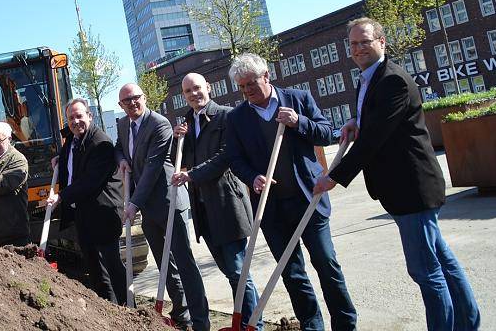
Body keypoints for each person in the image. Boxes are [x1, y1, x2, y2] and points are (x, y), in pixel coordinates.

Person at [315, 17, 480, 331]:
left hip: (412, 188)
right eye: (353, 44)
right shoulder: (369, 78)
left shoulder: (392, 80)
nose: (359, 48)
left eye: (365, 42)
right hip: (402, 187)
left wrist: (333, 177)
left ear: (382, 42)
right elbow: (377, 120)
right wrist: (355, 121)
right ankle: (468, 323)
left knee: (425, 271)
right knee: (441, 260)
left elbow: (374, 139)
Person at [225, 53, 356, 331]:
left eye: (251, 83)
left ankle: (345, 324)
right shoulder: (237, 118)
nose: (247, 91)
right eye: (242, 87)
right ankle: (312, 326)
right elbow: (235, 159)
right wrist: (253, 177)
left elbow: (326, 133)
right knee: (292, 273)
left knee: (326, 264)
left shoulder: (298, 99)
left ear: (266, 76)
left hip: (309, 198)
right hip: (271, 209)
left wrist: (299, 122)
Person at [171, 73, 262, 331]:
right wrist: (176, 141)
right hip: (203, 209)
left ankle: (253, 325)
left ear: (208, 88)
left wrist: (192, 175)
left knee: (238, 272)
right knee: (229, 272)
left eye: (197, 88)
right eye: (188, 91)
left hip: (226, 204)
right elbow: (179, 160)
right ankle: (244, 323)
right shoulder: (188, 122)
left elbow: (225, 157)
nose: (194, 94)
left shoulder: (226, 116)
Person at [115, 83, 209, 331]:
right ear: (121, 105)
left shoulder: (159, 124)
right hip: (148, 207)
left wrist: (133, 203)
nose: (132, 103)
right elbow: (118, 148)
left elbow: (152, 168)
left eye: (136, 98)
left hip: (169, 203)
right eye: (126, 101)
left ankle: (200, 321)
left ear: (144, 97)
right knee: (165, 264)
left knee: (184, 262)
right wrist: (122, 160)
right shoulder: (123, 125)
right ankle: (181, 314)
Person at [46, 98, 127, 304]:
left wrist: (61, 196)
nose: (75, 121)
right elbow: (72, 160)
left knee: (111, 267)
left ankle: (127, 309)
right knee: (95, 270)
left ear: (90, 116)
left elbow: (89, 181)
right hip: (84, 214)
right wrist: (60, 158)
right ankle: (108, 309)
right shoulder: (73, 139)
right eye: (71, 118)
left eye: (79, 116)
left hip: (103, 214)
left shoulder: (100, 143)